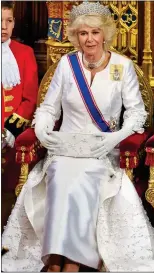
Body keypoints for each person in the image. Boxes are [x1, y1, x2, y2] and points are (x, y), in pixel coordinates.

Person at [2, 2, 154, 272]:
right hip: (65, 147)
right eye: (83, 33)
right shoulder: (67, 66)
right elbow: (48, 107)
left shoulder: (122, 67)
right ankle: (56, 259)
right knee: (61, 174)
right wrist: (43, 129)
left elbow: (138, 114)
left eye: (94, 32)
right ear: (75, 36)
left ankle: (72, 262)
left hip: (102, 149)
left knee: (85, 178)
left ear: (105, 35)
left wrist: (117, 138)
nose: (89, 39)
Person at [1, 1, 38, 232]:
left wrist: (7, 131)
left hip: (9, 132)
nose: (3, 26)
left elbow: (29, 100)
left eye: (8, 20)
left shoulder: (25, 53)